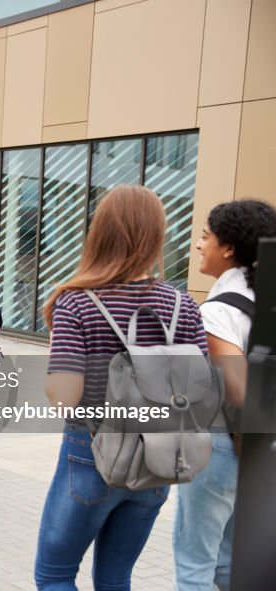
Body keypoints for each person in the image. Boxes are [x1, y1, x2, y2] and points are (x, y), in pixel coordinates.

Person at [34, 185, 208, 590]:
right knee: (116, 577)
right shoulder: (182, 306)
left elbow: (65, 394)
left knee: (54, 576)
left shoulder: (77, 302)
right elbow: (202, 394)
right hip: (159, 459)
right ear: (157, 236)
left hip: (91, 453)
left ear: (101, 232)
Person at [173, 199, 276, 591]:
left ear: (228, 248)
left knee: (195, 566)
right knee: (229, 566)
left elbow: (235, 389)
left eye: (205, 236)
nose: (199, 245)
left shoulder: (218, 310)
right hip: (257, 453)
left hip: (220, 445)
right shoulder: (263, 302)